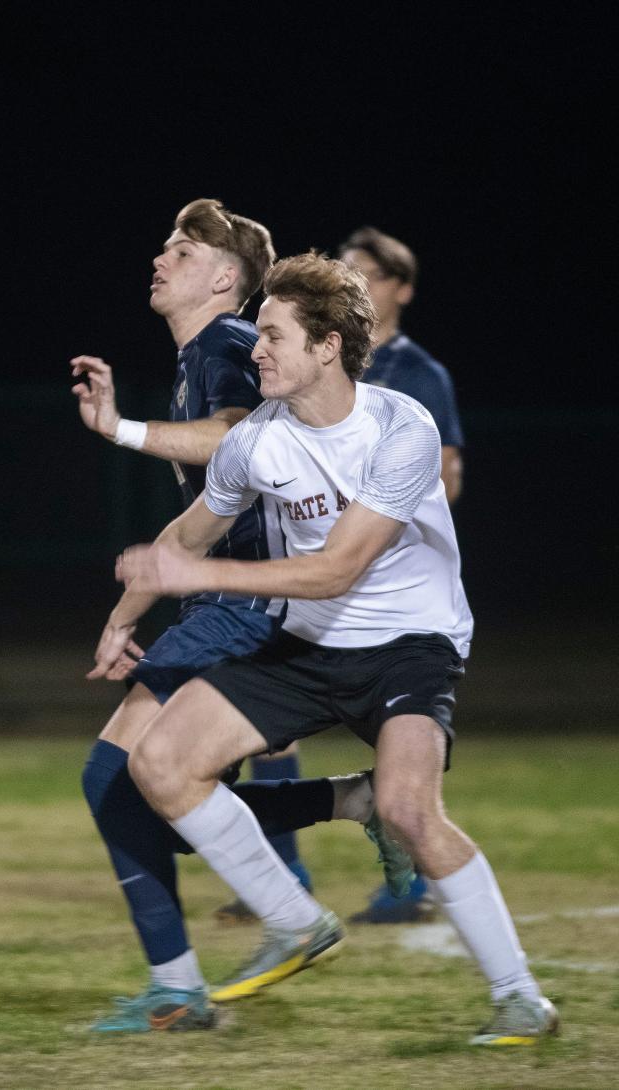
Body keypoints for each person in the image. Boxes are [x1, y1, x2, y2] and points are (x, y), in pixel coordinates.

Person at [111, 250, 558, 1045]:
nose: (255, 351)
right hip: (309, 645)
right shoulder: (255, 441)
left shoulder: (400, 427)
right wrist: (126, 614)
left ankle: (521, 997)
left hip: (410, 646)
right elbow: (188, 533)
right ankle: (293, 921)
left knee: (409, 810)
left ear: (326, 347)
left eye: (273, 336)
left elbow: (338, 568)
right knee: (158, 763)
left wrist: (196, 572)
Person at [73, 201, 408, 1033]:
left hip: (245, 605)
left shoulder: (226, 346)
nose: (161, 258)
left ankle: (211, 970)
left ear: (225, 278)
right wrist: (127, 613)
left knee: (121, 781)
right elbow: (194, 523)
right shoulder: (200, 356)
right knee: (166, 803)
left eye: (181, 250)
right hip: (224, 603)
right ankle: (356, 804)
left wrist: (119, 427)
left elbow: (229, 440)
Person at [338, 225, 466, 923]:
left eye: (368, 273)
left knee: (400, 725)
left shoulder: (420, 374)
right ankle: (284, 873)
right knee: (264, 699)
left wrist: (375, 515)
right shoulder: (327, 362)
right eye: (345, 271)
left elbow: (448, 477)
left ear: (401, 288)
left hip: (385, 577)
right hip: (322, 564)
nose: (354, 282)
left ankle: (414, 879)